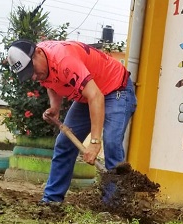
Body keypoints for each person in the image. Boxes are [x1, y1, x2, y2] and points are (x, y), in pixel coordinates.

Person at [7, 39, 137, 203]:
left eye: (32, 70)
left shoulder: (64, 60)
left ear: (38, 52)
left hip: (116, 89)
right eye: (28, 73)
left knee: (111, 142)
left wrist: (95, 142)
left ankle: (114, 204)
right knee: (64, 143)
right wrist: (55, 107)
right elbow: (51, 83)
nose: (33, 76)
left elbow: (96, 96)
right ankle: (51, 200)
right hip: (86, 95)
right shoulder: (41, 65)